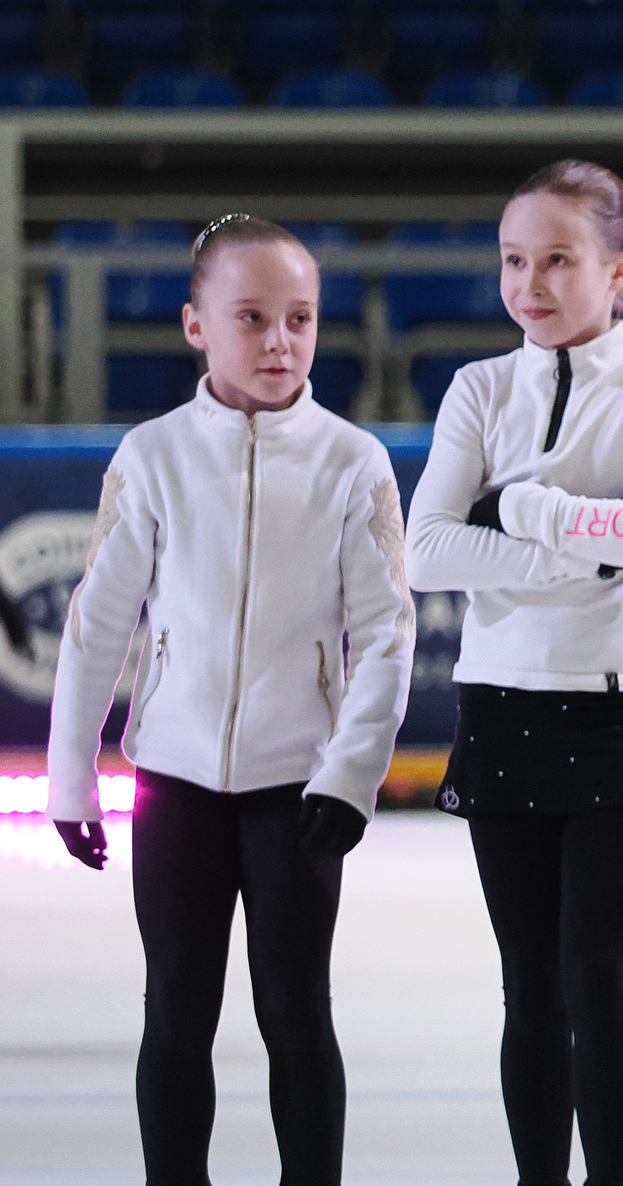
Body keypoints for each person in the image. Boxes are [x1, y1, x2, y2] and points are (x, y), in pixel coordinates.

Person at [46, 214, 417, 1186]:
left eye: (299, 318)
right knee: (175, 1010)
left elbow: (385, 634)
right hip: (175, 788)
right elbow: (98, 621)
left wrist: (351, 774)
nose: (280, 340)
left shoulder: (352, 463)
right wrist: (70, 779)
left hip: (299, 791)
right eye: (251, 317)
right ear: (196, 325)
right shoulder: (154, 455)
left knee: (298, 1014)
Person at [407, 161, 623, 1186]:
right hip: (501, 709)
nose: (528, 283)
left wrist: (527, 508)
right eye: (513, 260)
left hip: (616, 714)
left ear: (619, 267)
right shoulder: (479, 389)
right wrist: (583, 550)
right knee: (527, 986)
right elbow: (424, 552)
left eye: (557, 260)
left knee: (596, 980)